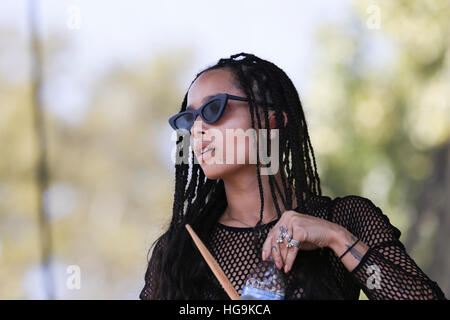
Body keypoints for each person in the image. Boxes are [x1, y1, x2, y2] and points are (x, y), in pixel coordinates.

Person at [140, 52, 446, 300]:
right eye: (189, 118)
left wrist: (337, 239)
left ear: (271, 122)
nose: (197, 129)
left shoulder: (346, 218)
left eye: (213, 110)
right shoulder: (177, 251)